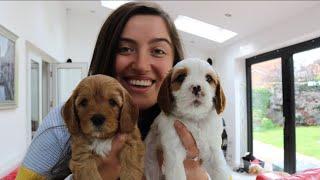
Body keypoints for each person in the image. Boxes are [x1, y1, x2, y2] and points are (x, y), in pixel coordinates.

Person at [16, 2, 209, 180]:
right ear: (106, 53)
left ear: (176, 64)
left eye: (158, 51)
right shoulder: (59, 124)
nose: (141, 65)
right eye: (125, 48)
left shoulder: (195, 121)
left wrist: (199, 175)